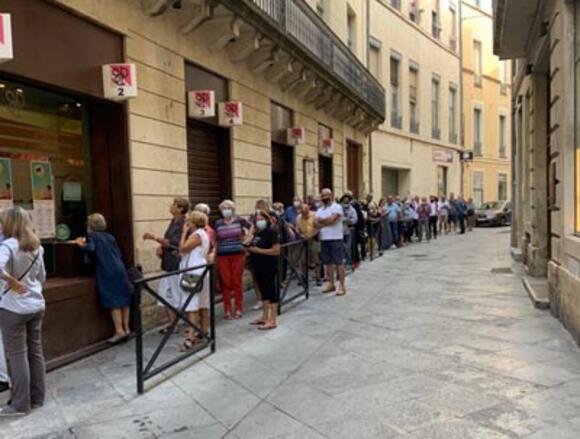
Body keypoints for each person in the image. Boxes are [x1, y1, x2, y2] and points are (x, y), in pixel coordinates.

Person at [0, 207, 46, 416]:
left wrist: (12, 281)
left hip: (14, 308)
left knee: (17, 355)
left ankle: (20, 405)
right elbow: (41, 277)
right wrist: (25, 285)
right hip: (36, 304)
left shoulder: (8, 245)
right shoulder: (36, 245)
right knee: (35, 352)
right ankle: (38, 398)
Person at [75, 213, 131, 343]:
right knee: (124, 299)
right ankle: (126, 328)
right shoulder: (110, 236)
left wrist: (80, 244)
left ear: (91, 226)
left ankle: (119, 331)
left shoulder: (92, 236)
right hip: (120, 268)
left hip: (107, 270)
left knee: (113, 300)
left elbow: (91, 249)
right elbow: (118, 252)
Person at [143, 198, 190, 333]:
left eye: (174, 205)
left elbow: (173, 243)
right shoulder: (173, 222)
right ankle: (173, 324)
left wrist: (154, 238)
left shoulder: (184, 224)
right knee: (165, 295)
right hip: (168, 264)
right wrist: (161, 247)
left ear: (180, 209)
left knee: (180, 295)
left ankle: (189, 324)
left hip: (176, 264)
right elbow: (167, 244)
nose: (171, 206)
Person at [178, 211, 210, 351]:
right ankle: (203, 331)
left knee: (192, 305)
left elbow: (182, 248)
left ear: (194, 222)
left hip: (193, 273)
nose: (187, 223)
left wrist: (184, 232)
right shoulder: (203, 233)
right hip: (199, 270)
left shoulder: (197, 234)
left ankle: (190, 338)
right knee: (202, 304)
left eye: (189, 221)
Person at [215, 200, 250, 320]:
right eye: (224, 208)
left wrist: (246, 241)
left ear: (233, 209)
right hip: (222, 255)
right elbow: (215, 239)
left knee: (236, 281)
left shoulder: (240, 220)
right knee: (226, 282)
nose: (226, 210)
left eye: (228, 207)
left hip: (238, 254)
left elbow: (252, 227)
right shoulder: (218, 223)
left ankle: (239, 308)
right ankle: (227, 310)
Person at [247, 210, 281, 330]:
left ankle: (273, 319)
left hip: (268, 265)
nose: (259, 221)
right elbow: (247, 242)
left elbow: (276, 250)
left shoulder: (271, 232)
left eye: (261, 219)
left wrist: (259, 251)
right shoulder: (258, 233)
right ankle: (265, 316)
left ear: (267, 219)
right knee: (263, 291)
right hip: (258, 265)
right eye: (257, 219)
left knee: (271, 291)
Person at [315, 188, 346, 295]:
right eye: (323, 195)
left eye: (327, 195)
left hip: (336, 238)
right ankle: (331, 283)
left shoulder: (337, 207)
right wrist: (325, 221)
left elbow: (333, 220)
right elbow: (316, 224)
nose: (325, 197)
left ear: (331, 195)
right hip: (324, 238)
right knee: (327, 263)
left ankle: (342, 285)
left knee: (339, 263)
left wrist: (322, 221)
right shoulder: (319, 210)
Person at [296, 203, 321, 285]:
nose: (304, 215)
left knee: (316, 260)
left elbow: (318, 228)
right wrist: (301, 235)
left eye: (305, 213)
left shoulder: (314, 215)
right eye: (302, 213)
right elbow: (297, 230)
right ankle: (303, 278)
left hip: (314, 239)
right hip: (303, 240)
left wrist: (311, 235)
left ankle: (318, 278)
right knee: (303, 261)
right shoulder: (299, 218)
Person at [340, 194, 358, 267]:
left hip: (348, 230)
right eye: (344, 199)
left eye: (347, 199)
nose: (346, 200)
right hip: (340, 231)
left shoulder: (352, 209)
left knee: (348, 247)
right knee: (341, 247)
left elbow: (355, 219)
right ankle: (343, 261)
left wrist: (349, 221)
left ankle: (348, 262)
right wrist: (344, 219)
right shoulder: (339, 208)